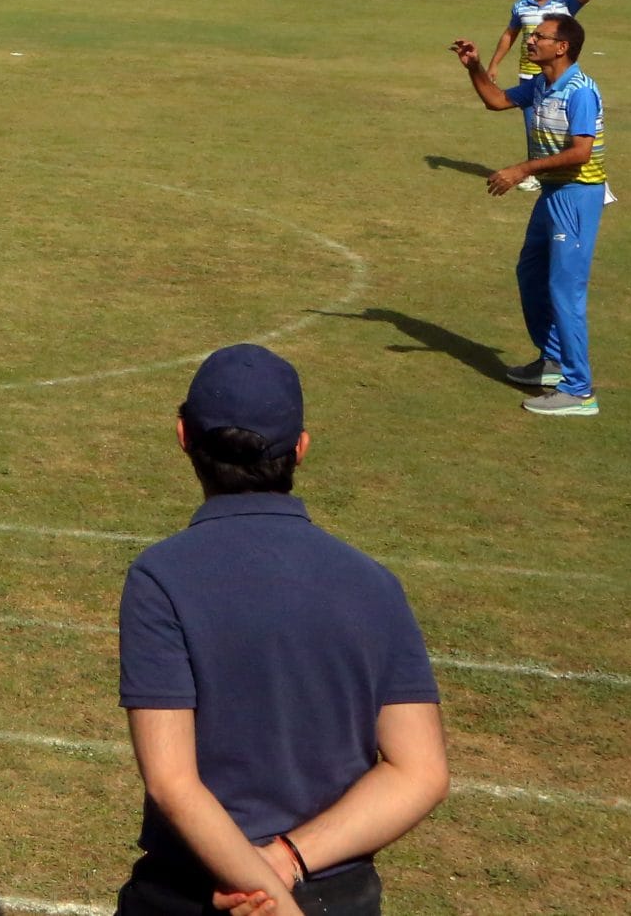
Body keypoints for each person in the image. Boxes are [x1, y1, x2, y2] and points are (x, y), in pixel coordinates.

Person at [114, 344, 447, 916]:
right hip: (336, 894)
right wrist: (289, 860)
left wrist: (269, 896)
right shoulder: (373, 583)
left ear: (183, 438)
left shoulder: (161, 577)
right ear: (301, 448)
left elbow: (173, 782)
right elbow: (419, 771)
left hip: (199, 893)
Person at [452, 13, 608, 415]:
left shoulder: (580, 91)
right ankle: (552, 362)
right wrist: (474, 67)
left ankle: (579, 391)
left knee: (565, 291)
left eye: (540, 36)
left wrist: (521, 169)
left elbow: (581, 152)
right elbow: (496, 100)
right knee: (530, 273)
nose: (530, 40)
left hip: (577, 195)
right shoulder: (540, 84)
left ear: (562, 47)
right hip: (553, 192)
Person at [486, 0, 595, 79]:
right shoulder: (521, 4)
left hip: (557, 72)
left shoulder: (567, 0)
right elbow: (510, 35)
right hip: (528, 72)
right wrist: (494, 64)